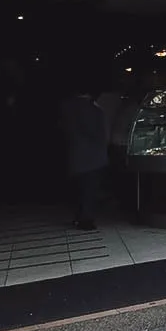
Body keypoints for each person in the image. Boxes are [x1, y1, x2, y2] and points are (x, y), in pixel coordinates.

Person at [58, 85, 109, 230]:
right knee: (90, 189)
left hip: (74, 153)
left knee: (79, 188)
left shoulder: (65, 107)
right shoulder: (92, 109)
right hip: (93, 156)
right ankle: (86, 219)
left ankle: (79, 216)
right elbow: (98, 133)